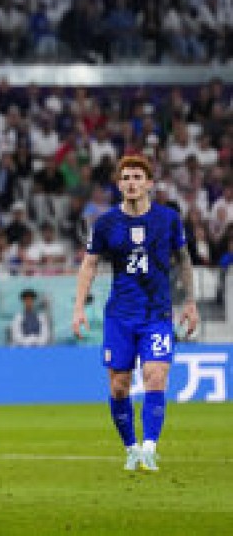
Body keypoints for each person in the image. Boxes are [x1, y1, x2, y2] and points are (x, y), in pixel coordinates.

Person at [72, 155, 199, 472]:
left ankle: (149, 448)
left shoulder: (168, 219)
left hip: (157, 313)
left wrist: (190, 301)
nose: (131, 182)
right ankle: (130, 447)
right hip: (120, 316)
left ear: (149, 183)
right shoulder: (106, 223)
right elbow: (89, 264)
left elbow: (183, 260)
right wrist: (78, 308)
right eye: (125, 177)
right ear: (119, 185)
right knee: (119, 386)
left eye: (137, 177)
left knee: (155, 376)